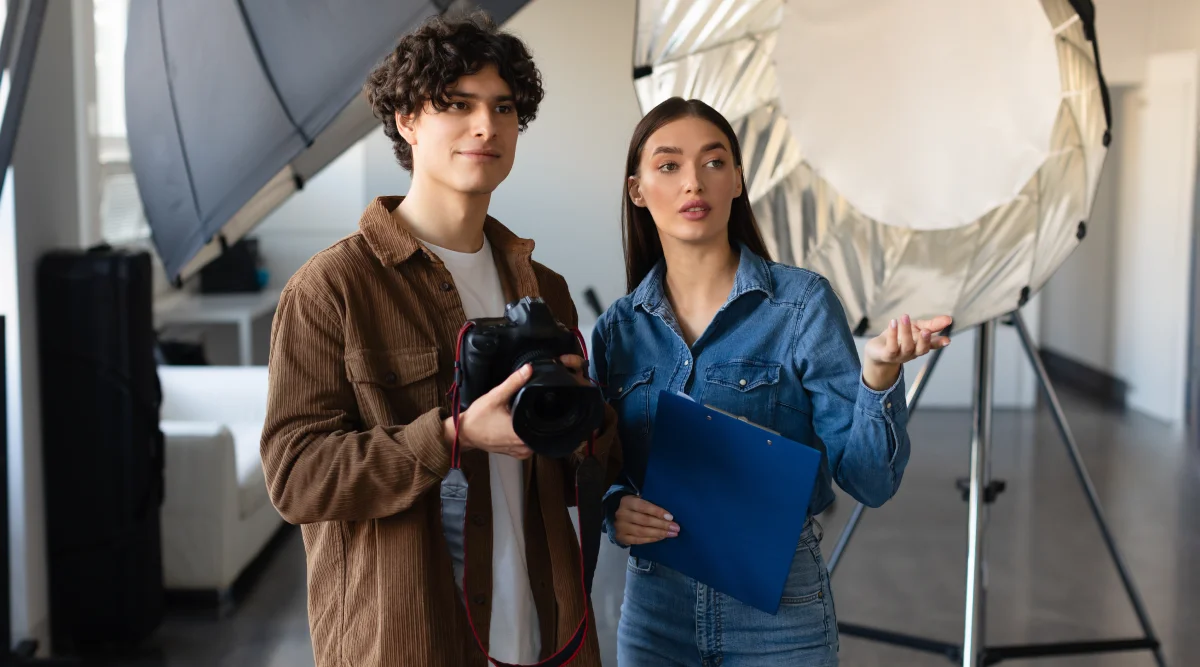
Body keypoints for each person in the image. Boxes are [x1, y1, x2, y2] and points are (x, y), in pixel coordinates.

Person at [260, 12, 618, 667]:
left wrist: (584, 417)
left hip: (545, 630)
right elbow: (296, 478)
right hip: (409, 637)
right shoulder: (332, 289)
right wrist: (452, 436)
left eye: (503, 107)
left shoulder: (544, 288)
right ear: (406, 119)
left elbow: (572, 471)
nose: (486, 126)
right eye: (457, 104)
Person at [590, 97, 952, 666]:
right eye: (668, 165)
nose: (694, 183)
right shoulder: (618, 330)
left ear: (736, 180)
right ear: (637, 189)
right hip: (656, 610)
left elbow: (869, 483)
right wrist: (613, 509)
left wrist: (878, 377)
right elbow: (597, 466)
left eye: (713, 163)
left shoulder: (802, 305)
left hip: (779, 609)